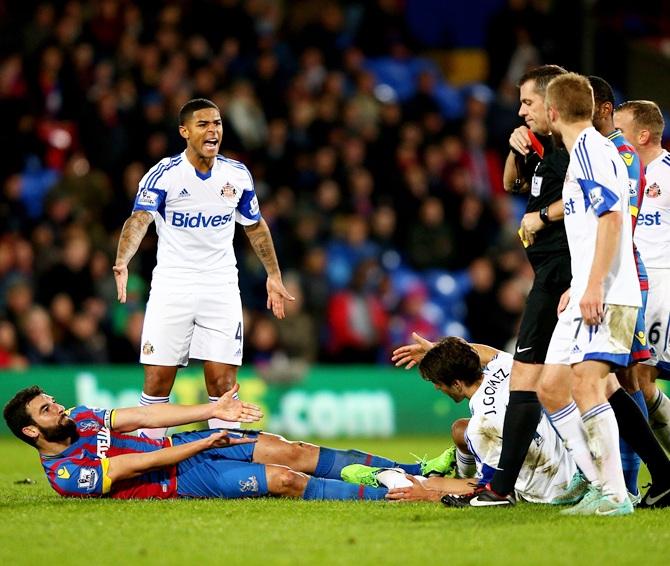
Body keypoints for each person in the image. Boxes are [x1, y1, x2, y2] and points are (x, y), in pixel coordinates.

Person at [113, 98, 294, 438]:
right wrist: (123, 260)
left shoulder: (237, 175)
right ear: (184, 131)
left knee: (223, 382)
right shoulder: (164, 174)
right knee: (157, 381)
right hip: (172, 285)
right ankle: (151, 461)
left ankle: (229, 462)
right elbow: (139, 220)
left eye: (218, 124)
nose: (213, 130)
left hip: (221, 286)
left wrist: (273, 273)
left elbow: (254, 226)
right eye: (204, 124)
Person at [448, 65, 570, 507]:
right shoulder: (544, 148)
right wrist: (515, 150)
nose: (520, 110)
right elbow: (510, 184)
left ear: (551, 103)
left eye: (527, 102)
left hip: (563, 275)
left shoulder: (576, 151)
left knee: (532, 382)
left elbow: (588, 197)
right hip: (552, 274)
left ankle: (502, 488)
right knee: (604, 384)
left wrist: (541, 217)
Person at [3, 384, 455, 501]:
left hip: (190, 444)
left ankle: (417, 471)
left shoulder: (81, 418)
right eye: (47, 411)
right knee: (284, 479)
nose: (59, 410)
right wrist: (201, 446)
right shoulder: (65, 474)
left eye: (54, 403)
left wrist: (210, 411)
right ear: (31, 432)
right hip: (180, 479)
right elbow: (135, 467)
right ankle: (391, 494)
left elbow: (143, 416)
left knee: (290, 448)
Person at [526, 72, 643, 516]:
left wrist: (592, 285)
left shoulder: (593, 152)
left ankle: (614, 494)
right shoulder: (583, 154)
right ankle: (594, 481)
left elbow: (612, 219)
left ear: (553, 113)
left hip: (609, 292)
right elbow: (592, 228)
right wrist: (578, 284)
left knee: (586, 382)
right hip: (586, 290)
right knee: (552, 387)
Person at [347, 335, 579, 505]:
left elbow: (488, 490)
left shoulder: (483, 427)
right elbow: (484, 353)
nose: (438, 388)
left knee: (430, 484)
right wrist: (440, 351)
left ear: (457, 384)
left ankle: (392, 477)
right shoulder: (506, 367)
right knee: (459, 429)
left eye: (438, 382)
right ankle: (458, 472)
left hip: (543, 491)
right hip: (565, 469)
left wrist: (429, 494)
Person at [614, 100, 670, 452]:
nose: (614, 137)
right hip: (628, 282)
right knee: (628, 377)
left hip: (661, 284)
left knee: (642, 377)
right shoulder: (622, 174)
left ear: (643, 135)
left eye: (620, 130)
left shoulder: (667, 173)